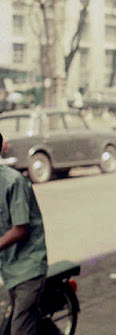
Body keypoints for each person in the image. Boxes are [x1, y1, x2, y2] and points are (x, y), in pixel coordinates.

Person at [0, 132, 48, 335]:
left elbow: (20, 230)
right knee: (26, 318)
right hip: (9, 267)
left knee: (19, 329)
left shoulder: (13, 182)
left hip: (28, 266)